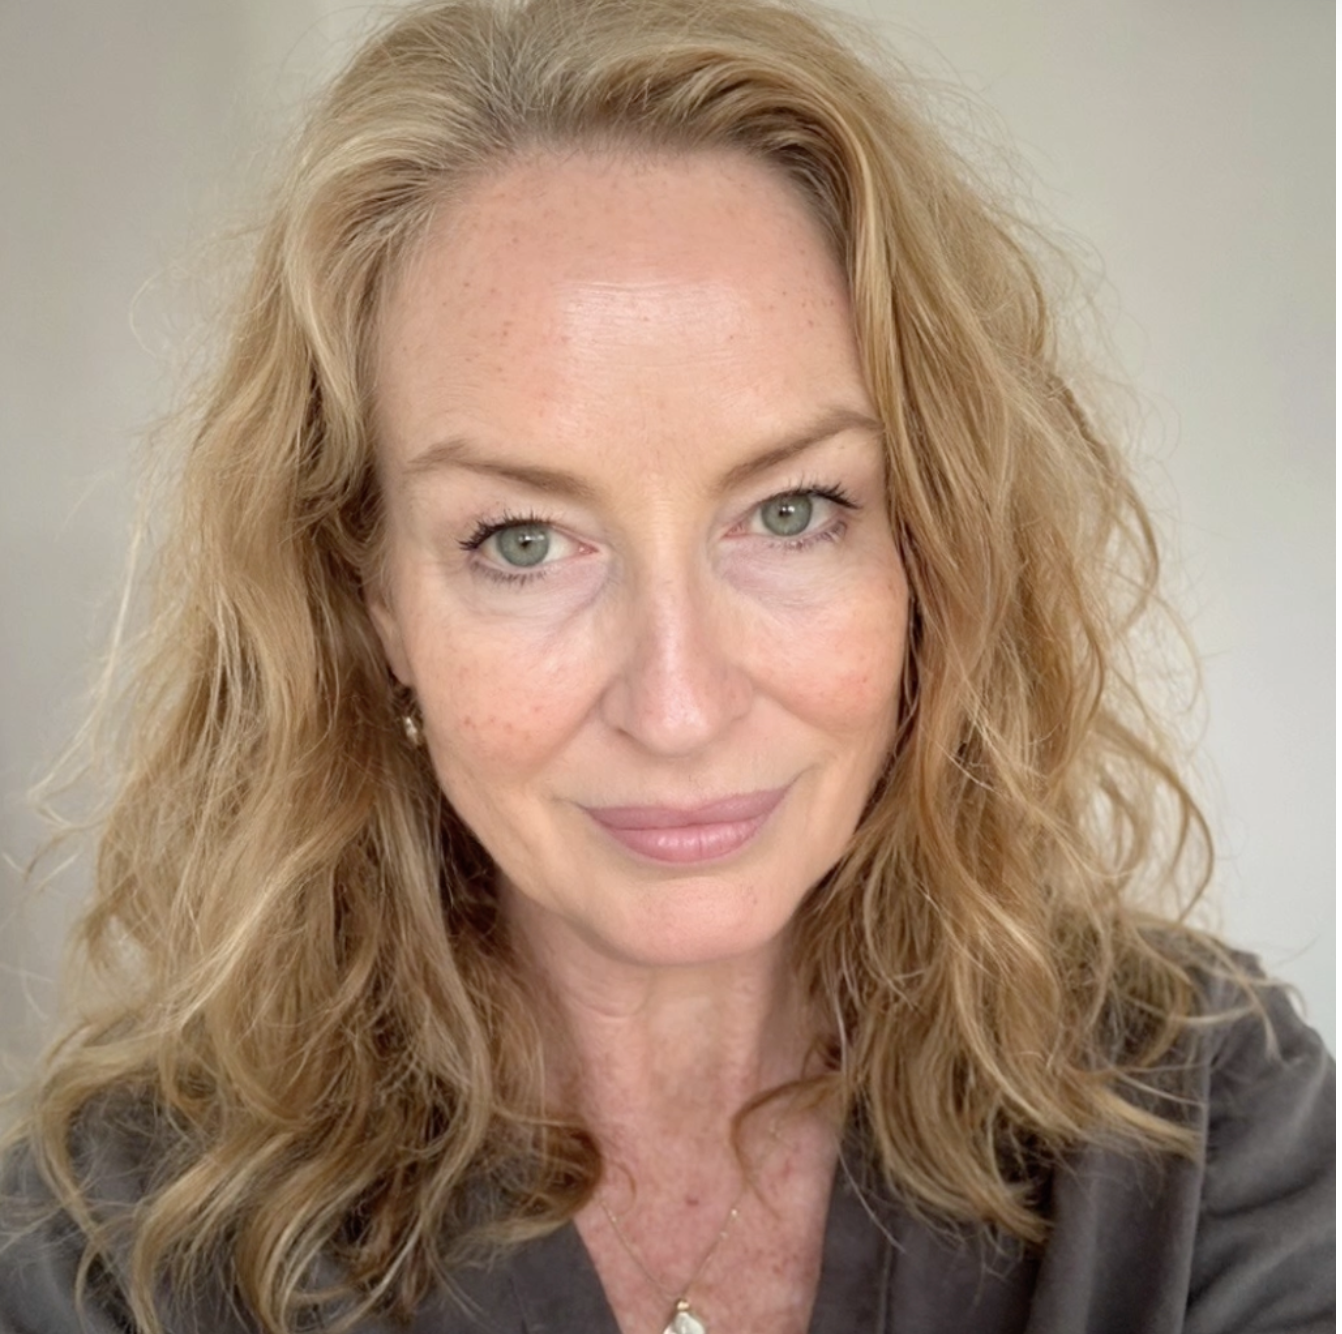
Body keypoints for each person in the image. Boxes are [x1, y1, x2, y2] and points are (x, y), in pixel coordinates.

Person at [0, 0, 1332, 1331]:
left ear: (933, 547)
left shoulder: (1202, 1126)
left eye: (790, 511)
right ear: (373, 595)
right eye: (521, 540)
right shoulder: (115, 1249)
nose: (678, 705)